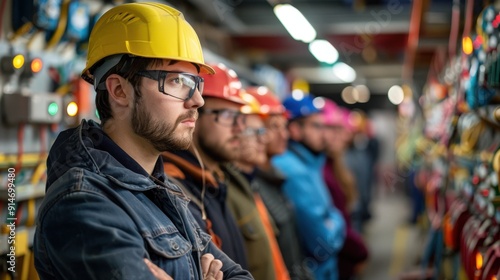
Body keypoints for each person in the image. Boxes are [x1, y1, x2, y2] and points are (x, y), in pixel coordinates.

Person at [33, 3, 253, 280]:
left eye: (197, 83)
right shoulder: (83, 204)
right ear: (119, 91)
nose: (197, 100)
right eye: (177, 82)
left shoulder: (165, 190)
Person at [161, 63, 249, 269]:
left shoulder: (213, 182)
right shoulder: (174, 186)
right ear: (196, 114)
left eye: (241, 118)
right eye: (227, 116)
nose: (239, 129)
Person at [242, 86, 314, 280]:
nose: (284, 135)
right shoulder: (249, 184)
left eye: (284, 126)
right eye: (274, 126)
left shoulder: (274, 177)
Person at [272, 94, 346, 280]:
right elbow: (322, 240)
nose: (323, 133)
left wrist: (332, 219)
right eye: (316, 126)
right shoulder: (293, 169)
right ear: (295, 130)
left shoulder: (309, 163)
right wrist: (337, 220)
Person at [230, 90, 291, 280]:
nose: (263, 139)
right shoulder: (228, 189)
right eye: (254, 131)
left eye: (262, 131)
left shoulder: (250, 184)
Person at [322, 99, 369, 280]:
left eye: (341, 129)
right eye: (334, 129)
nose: (342, 135)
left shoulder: (335, 165)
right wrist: (360, 250)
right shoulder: (322, 170)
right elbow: (332, 225)